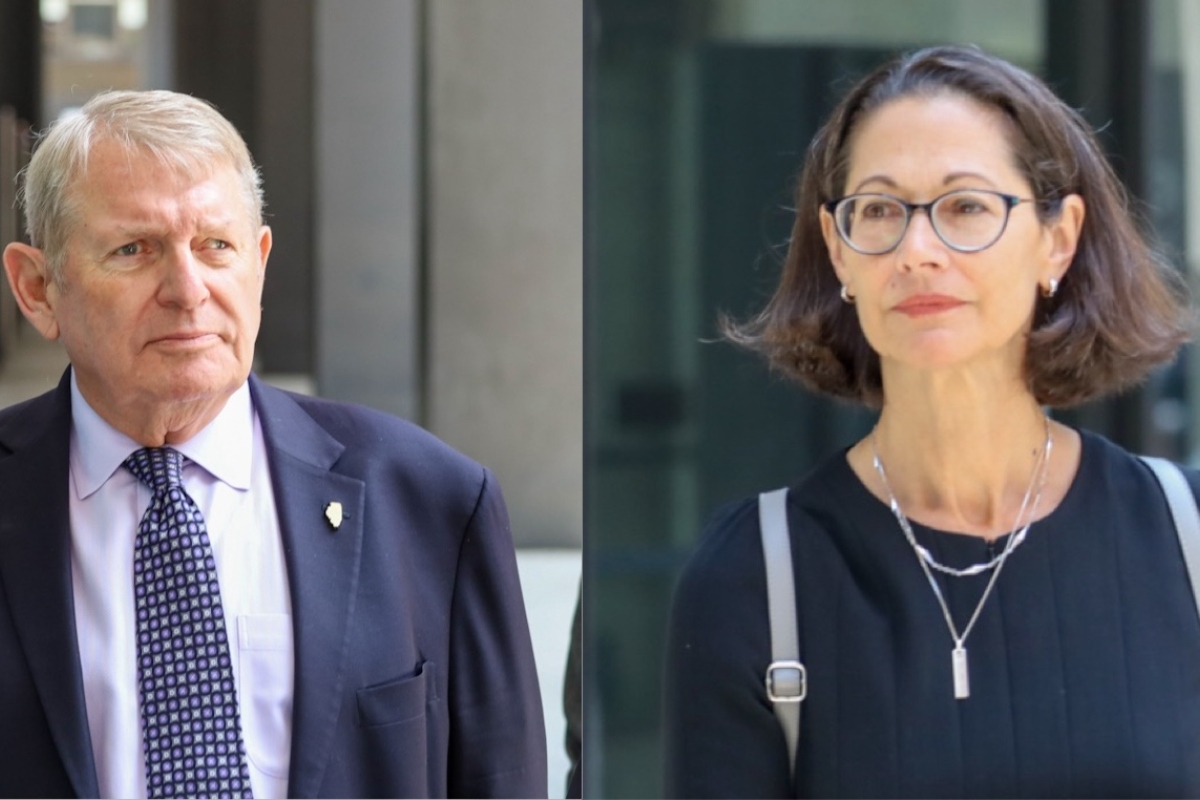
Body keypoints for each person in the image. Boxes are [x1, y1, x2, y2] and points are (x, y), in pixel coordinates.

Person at [664, 45, 1200, 798]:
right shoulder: (754, 580)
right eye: (879, 210)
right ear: (839, 253)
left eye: (967, 207)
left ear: (1059, 239)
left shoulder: (1185, 541)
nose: (918, 251)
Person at [0, 90, 546, 799]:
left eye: (215, 246)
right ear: (38, 288)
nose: (188, 289)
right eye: (134, 249)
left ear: (258, 264)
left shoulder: (433, 501)